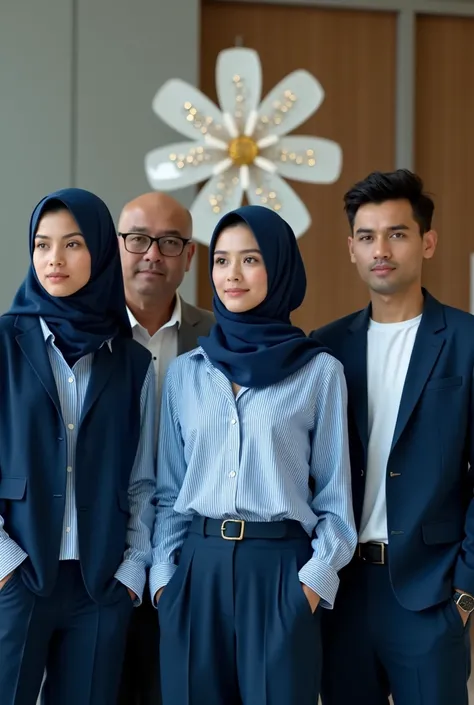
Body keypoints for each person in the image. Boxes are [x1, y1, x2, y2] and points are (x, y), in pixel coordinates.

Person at [150, 205, 357, 705]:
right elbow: (169, 493)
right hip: (196, 573)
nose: (232, 275)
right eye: (221, 261)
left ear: (280, 268)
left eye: (250, 260)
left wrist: (307, 588)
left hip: (281, 573)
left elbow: (335, 500)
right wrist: (164, 584)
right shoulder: (186, 373)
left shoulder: (320, 372)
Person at [312, 169, 474, 705]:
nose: (381, 249)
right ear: (352, 249)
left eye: (397, 234)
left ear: (427, 242)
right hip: (341, 590)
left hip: (430, 593)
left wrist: (465, 593)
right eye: (366, 237)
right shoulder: (324, 348)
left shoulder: (468, 342)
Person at [0, 188, 155, 705]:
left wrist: (132, 572)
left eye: (72, 245)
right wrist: (3, 567)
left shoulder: (132, 362)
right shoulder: (5, 343)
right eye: (43, 245)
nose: (54, 260)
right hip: (18, 574)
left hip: (100, 586)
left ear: (101, 254)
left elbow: (142, 478)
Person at [116, 192, 214, 705]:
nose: (152, 253)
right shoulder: (84, 335)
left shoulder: (221, 338)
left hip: (190, 566)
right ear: (117, 247)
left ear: (189, 255)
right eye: (138, 239)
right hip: (100, 563)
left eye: (170, 241)